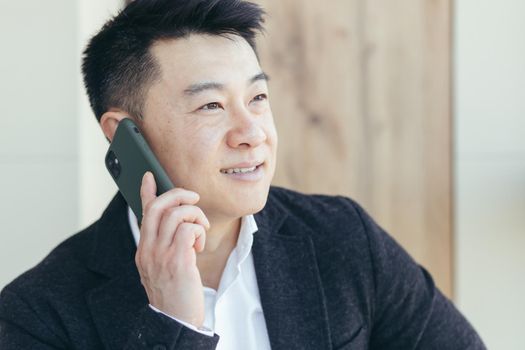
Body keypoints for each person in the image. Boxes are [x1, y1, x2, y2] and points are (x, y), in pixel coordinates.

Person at [0, 0, 486, 349]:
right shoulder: (38, 314)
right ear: (126, 136)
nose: (253, 132)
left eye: (256, 98)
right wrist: (172, 325)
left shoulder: (342, 238)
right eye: (211, 105)